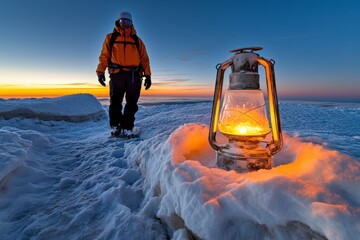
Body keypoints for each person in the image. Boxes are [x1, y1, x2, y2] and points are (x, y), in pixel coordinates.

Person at [96, 11, 151, 137]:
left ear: (131, 23)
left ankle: (127, 127)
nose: (125, 24)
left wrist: (148, 75)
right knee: (115, 102)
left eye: (127, 22)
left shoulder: (137, 41)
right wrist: (100, 72)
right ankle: (115, 126)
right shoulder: (111, 38)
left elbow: (144, 59)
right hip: (117, 74)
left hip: (134, 75)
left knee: (132, 103)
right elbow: (104, 56)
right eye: (122, 21)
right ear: (118, 22)